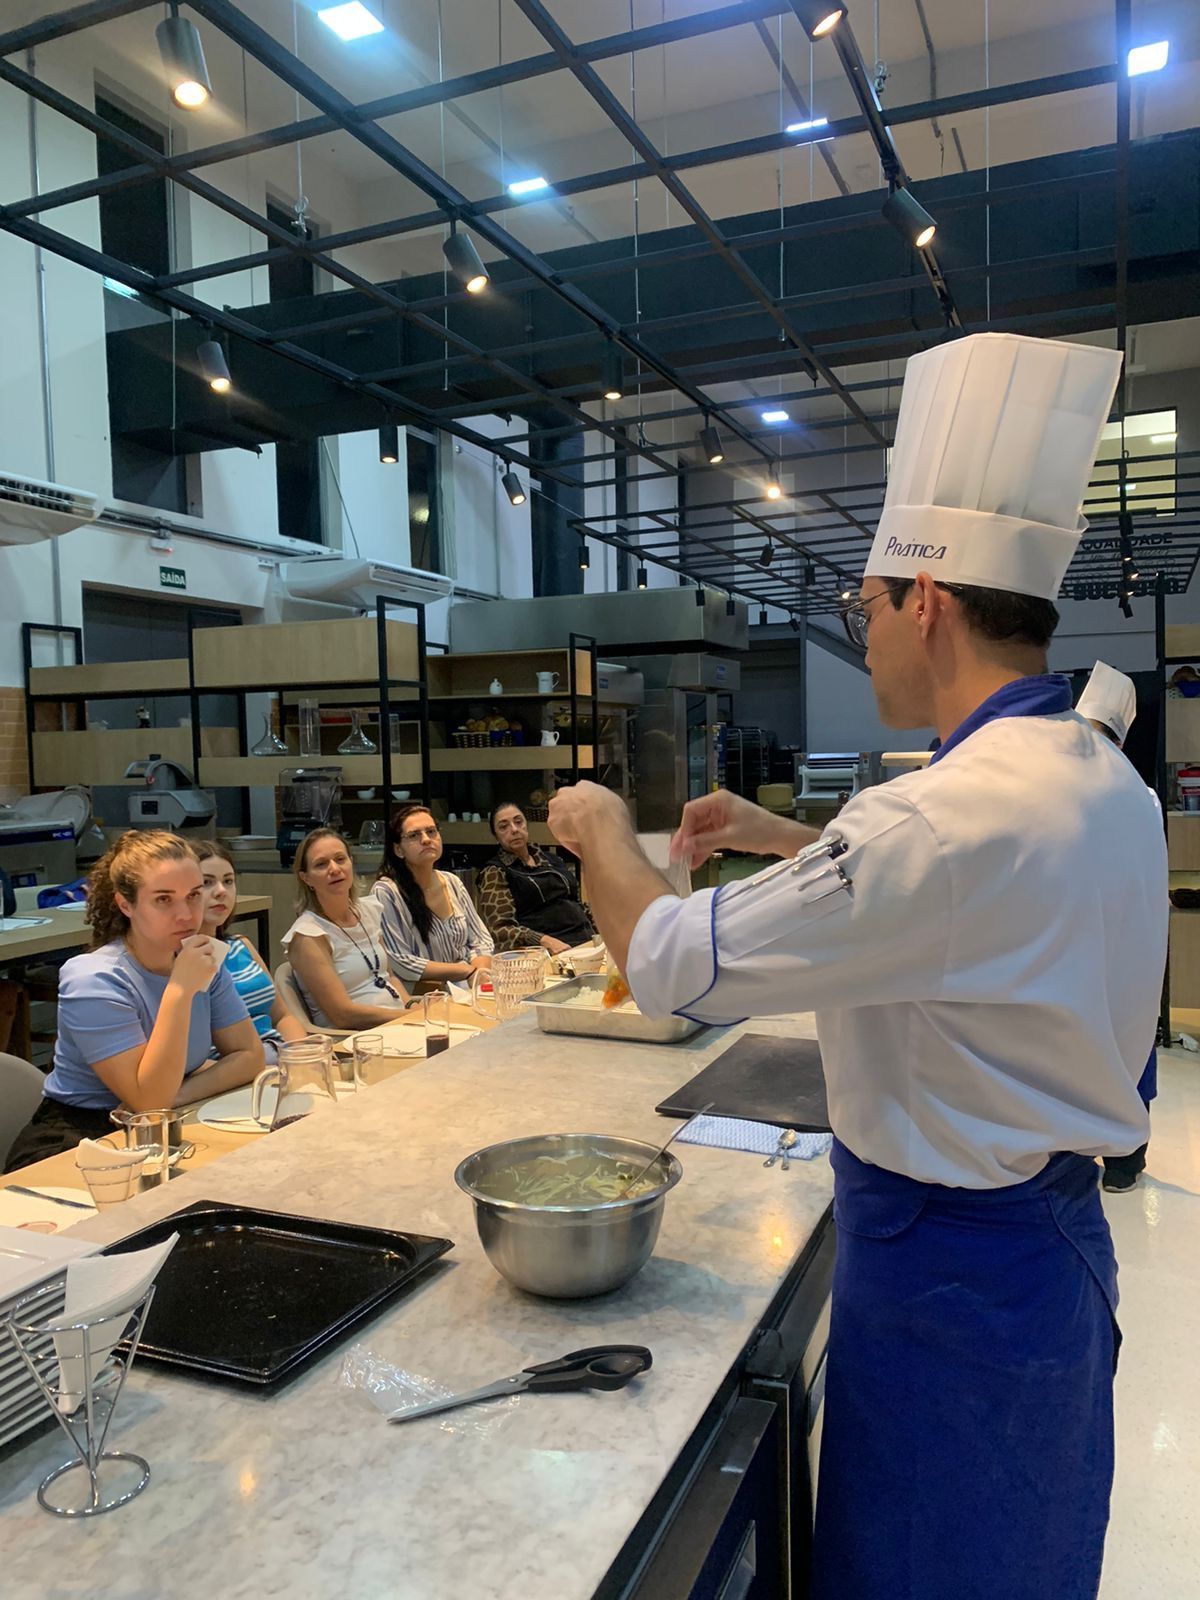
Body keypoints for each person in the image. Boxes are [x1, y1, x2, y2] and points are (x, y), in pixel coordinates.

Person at [547, 333, 1167, 1600]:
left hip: (954, 1288)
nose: (865, 633)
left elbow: (666, 959)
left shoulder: (932, 825)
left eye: (865, 606)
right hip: (1042, 1258)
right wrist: (790, 840)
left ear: (925, 598)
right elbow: (963, 900)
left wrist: (603, 826)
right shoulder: (1091, 771)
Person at [4, 831, 264, 1172]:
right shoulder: (94, 978)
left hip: (163, 1124)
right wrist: (179, 991)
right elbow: (148, 1101)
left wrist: (180, 1096)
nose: (186, 914)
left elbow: (250, 1056)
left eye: (193, 896)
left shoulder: (200, 961)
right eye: (163, 900)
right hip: (77, 1143)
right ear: (126, 904)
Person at [1075, 661, 1159, 1193]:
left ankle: (1126, 1155)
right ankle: (1112, 1151)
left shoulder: (1137, 795)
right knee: (1108, 1038)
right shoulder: (1133, 792)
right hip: (1104, 936)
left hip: (1117, 934)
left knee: (1125, 1037)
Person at [281, 828, 410, 1030]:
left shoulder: (368, 911)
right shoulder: (308, 935)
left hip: (398, 1024)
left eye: (340, 859)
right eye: (321, 864)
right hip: (354, 1039)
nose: (334, 869)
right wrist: (408, 1016)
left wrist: (413, 1005)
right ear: (306, 878)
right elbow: (343, 1015)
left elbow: (389, 976)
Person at [194, 840, 308, 1056]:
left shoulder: (240, 945)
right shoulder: (179, 961)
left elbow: (282, 1015)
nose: (221, 891)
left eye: (228, 881)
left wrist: (303, 1054)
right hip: (232, 1070)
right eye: (207, 882)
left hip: (281, 1055)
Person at [372, 805, 492, 988]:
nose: (426, 840)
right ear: (398, 849)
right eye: (414, 835)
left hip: (469, 984)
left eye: (431, 831)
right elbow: (400, 960)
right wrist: (464, 971)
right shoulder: (387, 892)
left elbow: (480, 939)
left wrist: (480, 971)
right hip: (425, 994)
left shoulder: (452, 882)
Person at [477, 801, 596, 956]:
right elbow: (500, 930)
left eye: (518, 822)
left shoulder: (552, 860)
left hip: (587, 941)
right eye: (503, 826)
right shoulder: (495, 872)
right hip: (550, 951)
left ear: (526, 825)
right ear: (496, 836)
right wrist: (543, 940)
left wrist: (605, 926)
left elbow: (575, 904)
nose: (514, 829)